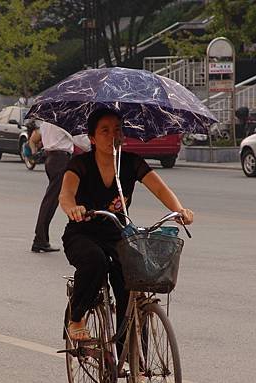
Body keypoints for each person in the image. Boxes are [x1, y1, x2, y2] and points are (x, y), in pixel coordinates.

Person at [58, 108, 194, 341]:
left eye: (118, 130)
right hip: (82, 233)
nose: (113, 135)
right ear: (91, 137)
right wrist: (73, 208)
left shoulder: (131, 163)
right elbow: (66, 194)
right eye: (105, 130)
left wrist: (178, 210)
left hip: (117, 234)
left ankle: (134, 363)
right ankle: (76, 318)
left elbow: (160, 188)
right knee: (95, 262)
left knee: (131, 284)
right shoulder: (80, 163)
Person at [30, 121, 74, 253]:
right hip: (60, 159)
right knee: (51, 200)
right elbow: (78, 139)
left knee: (52, 199)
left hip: (52, 158)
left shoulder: (47, 121)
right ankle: (40, 240)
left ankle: (41, 239)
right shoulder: (63, 119)